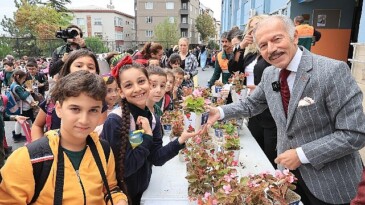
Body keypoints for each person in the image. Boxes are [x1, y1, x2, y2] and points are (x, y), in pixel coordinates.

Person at [205, 15, 365, 205]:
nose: (271, 49)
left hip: (330, 184)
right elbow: (251, 105)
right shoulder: (270, 73)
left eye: (277, 39)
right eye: (263, 45)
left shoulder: (332, 71)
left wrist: (301, 154)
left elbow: (354, 134)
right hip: (287, 181)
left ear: (294, 37)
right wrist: (220, 111)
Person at [0, 70, 128, 204]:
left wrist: (119, 200)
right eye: (75, 109)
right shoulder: (28, 159)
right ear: (59, 109)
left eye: (93, 110)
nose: (84, 120)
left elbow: (110, 189)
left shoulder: (104, 149)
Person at [100, 56, 200, 204]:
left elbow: (156, 158)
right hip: (121, 197)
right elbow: (125, 169)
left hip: (143, 190)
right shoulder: (115, 121)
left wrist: (180, 141)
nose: (137, 88)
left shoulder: (153, 119)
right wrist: (146, 137)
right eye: (128, 85)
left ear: (148, 83)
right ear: (121, 92)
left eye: (141, 81)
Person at [227, 15, 277, 168]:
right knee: (255, 149)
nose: (255, 29)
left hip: (270, 109)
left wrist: (262, 88)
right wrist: (241, 45)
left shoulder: (272, 52)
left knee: (270, 155)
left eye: (258, 25)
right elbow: (233, 67)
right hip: (252, 107)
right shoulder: (250, 54)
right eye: (252, 27)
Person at [31, 50, 101, 141]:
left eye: (90, 67)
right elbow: (37, 125)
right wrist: (41, 150)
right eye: (79, 66)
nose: (85, 69)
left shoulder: (99, 100)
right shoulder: (54, 97)